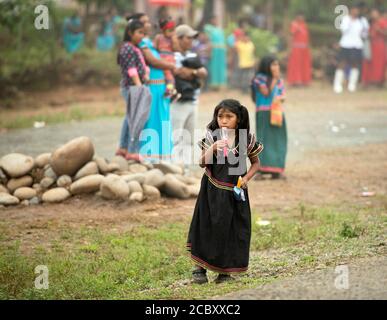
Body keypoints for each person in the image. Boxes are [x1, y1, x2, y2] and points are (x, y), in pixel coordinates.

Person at [187, 99, 263, 284]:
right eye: (220, 116)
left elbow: (256, 164)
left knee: (231, 230)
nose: (224, 120)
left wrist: (245, 179)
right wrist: (212, 149)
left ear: (239, 118)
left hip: (234, 194)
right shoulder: (212, 137)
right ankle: (200, 269)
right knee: (206, 226)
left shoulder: (246, 139)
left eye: (229, 116)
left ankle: (224, 272)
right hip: (211, 191)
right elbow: (202, 163)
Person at [133, 13, 176, 162]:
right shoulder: (141, 44)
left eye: (148, 22)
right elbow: (153, 61)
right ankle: (149, 157)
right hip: (151, 88)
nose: (149, 25)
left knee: (163, 120)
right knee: (151, 121)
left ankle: (165, 157)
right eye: (144, 22)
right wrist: (172, 66)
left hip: (161, 87)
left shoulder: (151, 42)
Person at [170, 24, 208, 165]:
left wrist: (191, 72)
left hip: (193, 100)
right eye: (188, 37)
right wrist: (194, 72)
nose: (191, 40)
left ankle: (184, 168)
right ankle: (174, 167)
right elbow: (178, 72)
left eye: (193, 38)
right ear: (179, 38)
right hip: (177, 102)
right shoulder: (172, 56)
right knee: (176, 136)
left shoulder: (193, 55)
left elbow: (203, 72)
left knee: (189, 137)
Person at [116, 19, 149, 161]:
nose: (142, 35)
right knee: (136, 119)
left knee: (129, 118)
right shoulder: (128, 48)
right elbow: (132, 69)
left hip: (134, 86)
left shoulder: (134, 47)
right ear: (130, 32)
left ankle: (123, 148)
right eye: (139, 32)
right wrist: (139, 86)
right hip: (133, 87)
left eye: (143, 33)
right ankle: (132, 150)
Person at [251, 56, 287, 180]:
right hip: (264, 112)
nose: (276, 67)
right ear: (267, 66)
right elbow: (266, 93)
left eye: (277, 64)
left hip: (276, 112)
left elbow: (282, 94)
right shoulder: (259, 79)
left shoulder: (279, 80)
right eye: (273, 65)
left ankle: (277, 169)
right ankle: (261, 169)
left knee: (278, 140)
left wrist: (281, 97)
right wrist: (275, 79)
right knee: (264, 139)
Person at [333, 3, 369, 93]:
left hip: (357, 45)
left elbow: (365, 34)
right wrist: (351, 21)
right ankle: (337, 84)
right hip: (346, 44)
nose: (356, 11)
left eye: (357, 10)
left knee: (355, 64)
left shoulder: (362, 20)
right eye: (354, 9)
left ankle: (352, 85)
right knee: (342, 63)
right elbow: (343, 30)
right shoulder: (345, 19)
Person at [154, 17, 180, 97]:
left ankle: (170, 90)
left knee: (170, 77)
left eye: (173, 30)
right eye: (170, 31)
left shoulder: (173, 38)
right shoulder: (158, 37)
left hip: (170, 60)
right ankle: (171, 90)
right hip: (161, 59)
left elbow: (176, 49)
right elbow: (155, 48)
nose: (172, 33)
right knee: (167, 77)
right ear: (163, 30)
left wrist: (174, 40)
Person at [362, 8, 386, 87]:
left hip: (379, 45)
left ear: (378, 13)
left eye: (374, 13)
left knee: (379, 64)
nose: (373, 15)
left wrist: (379, 30)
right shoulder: (371, 22)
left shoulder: (382, 21)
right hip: (371, 45)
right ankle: (369, 81)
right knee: (369, 63)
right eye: (372, 13)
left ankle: (378, 82)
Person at [286, 13, 312, 86]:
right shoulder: (294, 24)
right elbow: (291, 36)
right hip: (296, 48)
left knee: (304, 64)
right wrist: (289, 47)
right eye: (300, 16)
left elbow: (307, 37)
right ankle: (296, 81)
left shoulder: (304, 25)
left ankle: (304, 80)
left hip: (305, 49)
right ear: (297, 17)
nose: (301, 17)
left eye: (302, 16)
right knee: (296, 64)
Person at [204, 16, 227, 89]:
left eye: (217, 20)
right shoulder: (208, 28)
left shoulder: (220, 29)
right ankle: (213, 84)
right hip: (214, 50)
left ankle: (221, 83)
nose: (216, 21)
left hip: (221, 51)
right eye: (214, 20)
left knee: (221, 66)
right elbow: (207, 39)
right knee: (214, 67)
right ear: (211, 20)